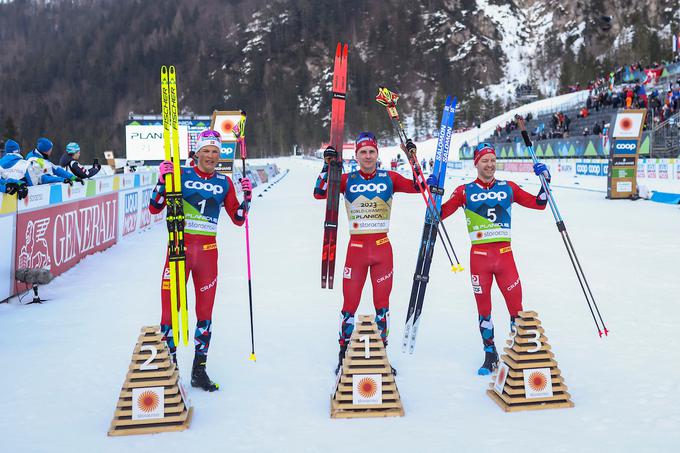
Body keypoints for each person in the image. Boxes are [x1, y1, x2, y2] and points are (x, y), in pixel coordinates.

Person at [437, 131, 550, 375]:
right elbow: (438, 215)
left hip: (505, 257)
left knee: (515, 307)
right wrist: (433, 195)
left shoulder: (508, 187)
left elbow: (539, 204)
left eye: (492, 159)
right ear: (476, 163)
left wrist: (545, 181)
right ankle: (490, 354)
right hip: (479, 260)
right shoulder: (463, 191)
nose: (489, 164)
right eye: (484, 160)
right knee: (484, 309)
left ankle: (515, 351)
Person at [149, 129, 252, 392]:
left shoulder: (224, 182)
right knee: (168, 312)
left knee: (205, 314)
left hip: (208, 255)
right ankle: (167, 369)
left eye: (215, 152)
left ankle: (199, 370)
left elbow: (238, 219)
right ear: (196, 153)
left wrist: (247, 199)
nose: (210, 156)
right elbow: (154, 207)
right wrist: (162, 181)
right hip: (178, 251)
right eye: (206, 151)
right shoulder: (180, 174)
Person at [313, 132, 421, 375]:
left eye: (372, 151)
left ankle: (382, 354)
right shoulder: (346, 179)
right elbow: (319, 192)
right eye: (363, 152)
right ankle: (343, 354)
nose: (368, 156)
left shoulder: (389, 178)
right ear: (356, 155)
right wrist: (327, 165)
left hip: (383, 249)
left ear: (377, 154)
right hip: (356, 251)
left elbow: (420, 186)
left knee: (382, 305)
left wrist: (411, 158)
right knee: (349, 305)